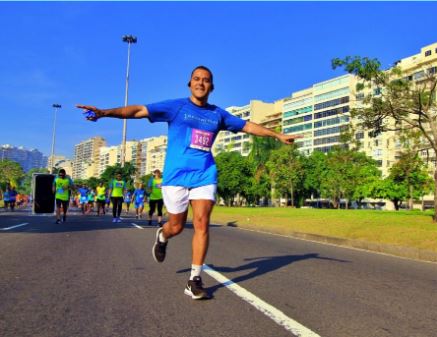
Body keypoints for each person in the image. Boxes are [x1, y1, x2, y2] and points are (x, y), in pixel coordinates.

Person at [77, 65, 299, 300]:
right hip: (175, 177)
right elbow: (138, 111)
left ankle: (194, 279)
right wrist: (104, 112)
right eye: (196, 79)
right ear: (189, 83)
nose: (201, 83)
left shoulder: (218, 114)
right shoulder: (176, 107)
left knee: (202, 222)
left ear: (211, 86)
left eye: (206, 80)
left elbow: (246, 126)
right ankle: (163, 236)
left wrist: (277, 135)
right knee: (177, 226)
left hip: (204, 174)